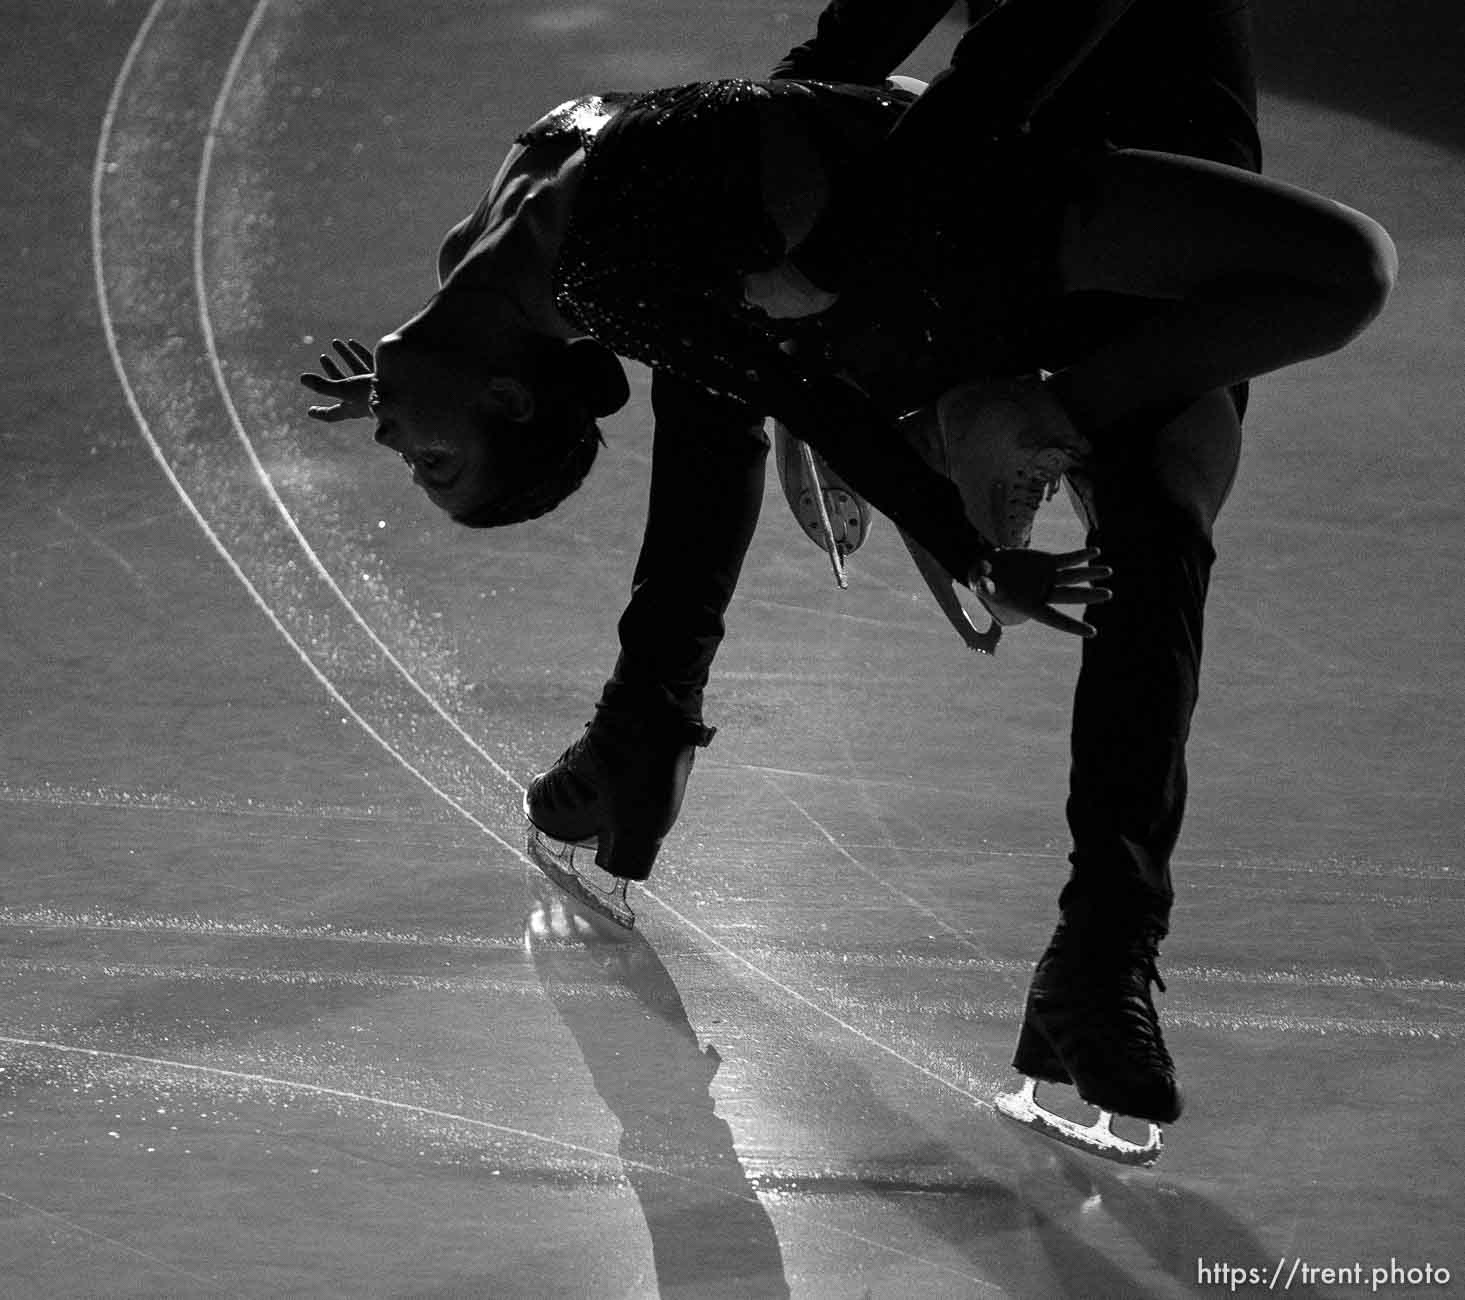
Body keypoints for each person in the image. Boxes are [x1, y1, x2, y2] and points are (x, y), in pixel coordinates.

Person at [299, 26, 1393, 1147]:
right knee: (719, 330)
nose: (396, 442)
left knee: (1155, 515)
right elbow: (842, 58)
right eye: (428, 460)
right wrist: (811, 256)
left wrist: (825, 257)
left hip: (1004, 173)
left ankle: (1099, 951)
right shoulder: (538, 276)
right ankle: (668, 708)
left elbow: (963, 73)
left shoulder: (525, 266)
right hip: (963, 195)